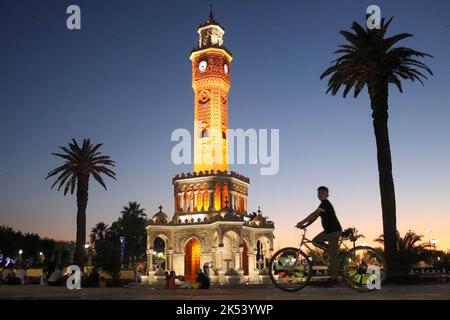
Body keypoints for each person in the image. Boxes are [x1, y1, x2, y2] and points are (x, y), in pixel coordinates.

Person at [296, 186, 342, 286]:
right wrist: (305, 225)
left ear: (327, 194)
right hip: (328, 232)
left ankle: (333, 279)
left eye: (322, 193)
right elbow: (314, 217)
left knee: (333, 256)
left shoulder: (325, 204)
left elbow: (313, 214)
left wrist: (301, 222)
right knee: (315, 241)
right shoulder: (322, 205)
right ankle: (332, 250)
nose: (319, 195)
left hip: (334, 232)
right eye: (318, 193)